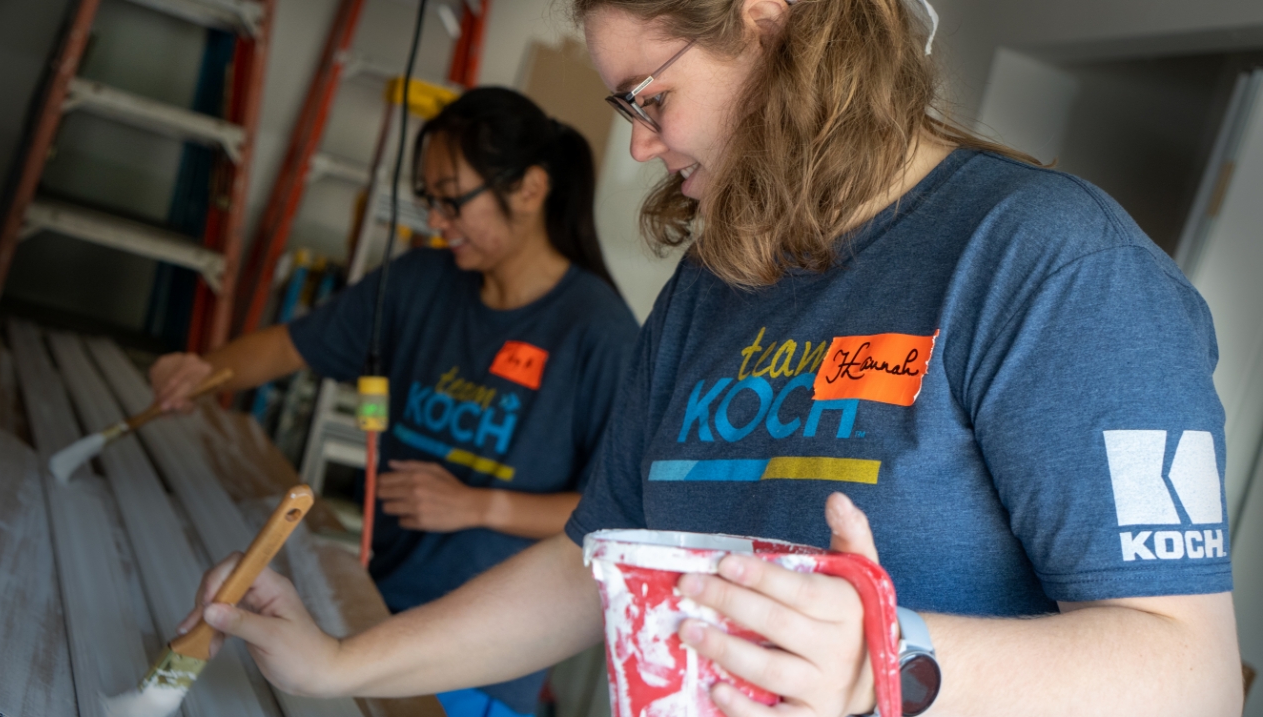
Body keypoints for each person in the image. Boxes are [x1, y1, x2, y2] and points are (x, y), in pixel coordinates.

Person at [174, 0, 1248, 715]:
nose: (639, 143)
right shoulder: (719, 279)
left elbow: (1187, 672)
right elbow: (594, 562)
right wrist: (339, 663)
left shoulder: (1047, 262)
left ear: (771, 26)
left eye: (649, 95)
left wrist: (894, 654)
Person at [149, 87, 640, 717]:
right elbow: (291, 346)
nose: (435, 221)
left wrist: (477, 504)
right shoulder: (419, 283)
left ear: (529, 189)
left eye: (451, 200)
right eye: (428, 200)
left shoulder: (600, 336)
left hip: (481, 662)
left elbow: (612, 519)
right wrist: (202, 372)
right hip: (370, 611)